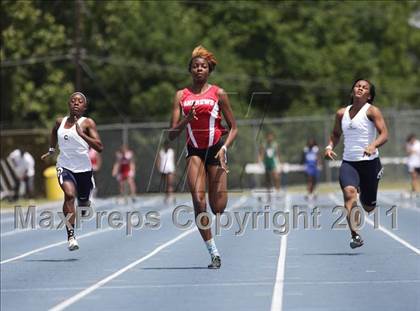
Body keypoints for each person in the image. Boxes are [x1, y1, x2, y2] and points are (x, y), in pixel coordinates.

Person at [169, 45, 238, 269]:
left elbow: (234, 128)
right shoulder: (181, 95)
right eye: (196, 66)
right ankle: (214, 253)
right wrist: (186, 120)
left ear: (209, 70)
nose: (199, 69)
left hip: (216, 149)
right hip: (194, 152)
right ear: (190, 70)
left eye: (204, 66)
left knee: (217, 207)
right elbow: (171, 134)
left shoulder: (218, 93)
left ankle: (214, 176)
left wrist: (225, 147)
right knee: (198, 202)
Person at [325, 79, 388, 249]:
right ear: (352, 91)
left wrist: (373, 145)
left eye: (364, 87)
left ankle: (373, 179)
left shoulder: (372, 112)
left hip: (369, 162)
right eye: (357, 86)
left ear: (369, 95)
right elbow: (336, 134)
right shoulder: (341, 113)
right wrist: (330, 146)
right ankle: (355, 235)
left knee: (368, 207)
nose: (360, 88)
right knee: (349, 194)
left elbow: (384, 134)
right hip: (349, 163)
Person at [41, 92, 103, 251]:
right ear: (68, 104)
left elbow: (99, 147)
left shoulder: (87, 123)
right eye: (73, 100)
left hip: (84, 169)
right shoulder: (59, 122)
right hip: (64, 165)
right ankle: (71, 237)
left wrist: (82, 135)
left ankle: (84, 202)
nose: (76, 103)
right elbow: (54, 132)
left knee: (82, 203)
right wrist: (51, 149)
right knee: (69, 195)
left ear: (84, 106)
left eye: (80, 101)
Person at [258, 132, 281, 201]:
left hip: (273, 163)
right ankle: (268, 194)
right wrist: (260, 161)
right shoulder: (264, 145)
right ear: (267, 137)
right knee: (267, 179)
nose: (270, 138)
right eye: (269, 137)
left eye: (271, 137)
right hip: (266, 163)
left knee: (276, 177)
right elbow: (261, 154)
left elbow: (277, 154)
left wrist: (279, 162)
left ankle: (277, 191)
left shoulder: (275, 144)